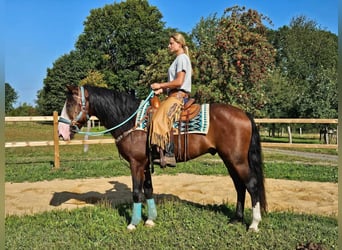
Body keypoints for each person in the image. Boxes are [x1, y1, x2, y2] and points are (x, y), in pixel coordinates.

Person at [149, 32, 192, 167]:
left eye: (171, 43)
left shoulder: (182, 58)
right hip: (172, 94)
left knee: (159, 118)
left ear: (179, 44)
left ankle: (169, 153)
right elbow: (174, 83)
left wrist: (161, 85)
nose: (169, 46)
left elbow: (179, 82)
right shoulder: (178, 59)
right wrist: (162, 90)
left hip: (178, 97)